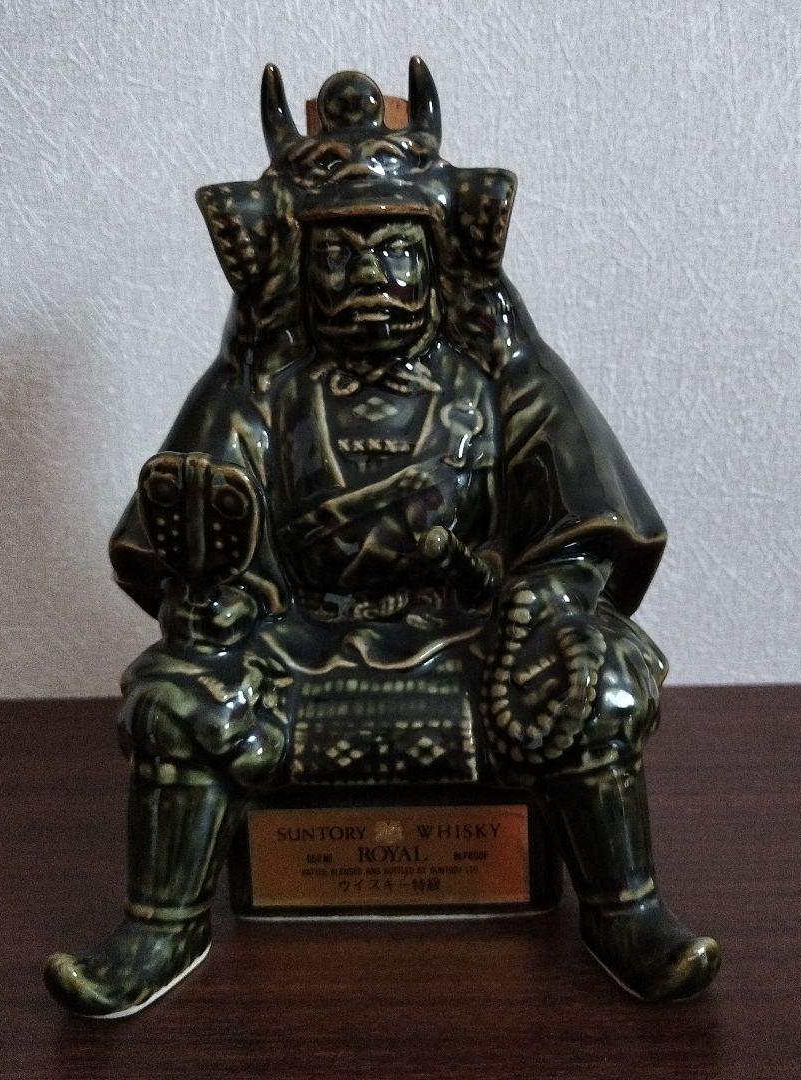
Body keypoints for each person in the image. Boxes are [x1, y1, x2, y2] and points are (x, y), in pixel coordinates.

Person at [44, 58, 720, 1018]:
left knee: (600, 679)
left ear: (440, 261)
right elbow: (203, 549)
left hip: (470, 634)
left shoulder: (502, 384)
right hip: (300, 640)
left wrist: (552, 593)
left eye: (398, 251)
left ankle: (627, 912)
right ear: (294, 267)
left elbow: (584, 524)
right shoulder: (258, 396)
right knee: (173, 697)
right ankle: (163, 925)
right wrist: (212, 589)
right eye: (337, 256)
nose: (370, 276)